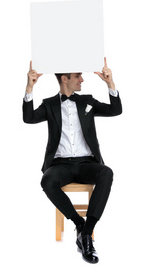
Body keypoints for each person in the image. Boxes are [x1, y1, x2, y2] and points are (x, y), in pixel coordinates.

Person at [23, 57, 122, 263]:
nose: (82, 80)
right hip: (61, 165)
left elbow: (115, 110)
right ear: (65, 79)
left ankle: (87, 232)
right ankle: (79, 224)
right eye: (78, 76)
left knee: (107, 173)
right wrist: (29, 88)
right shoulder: (50, 104)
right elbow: (29, 117)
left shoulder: (87, 101)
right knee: (47, 181)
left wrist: (110, 84)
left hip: (87, 163)